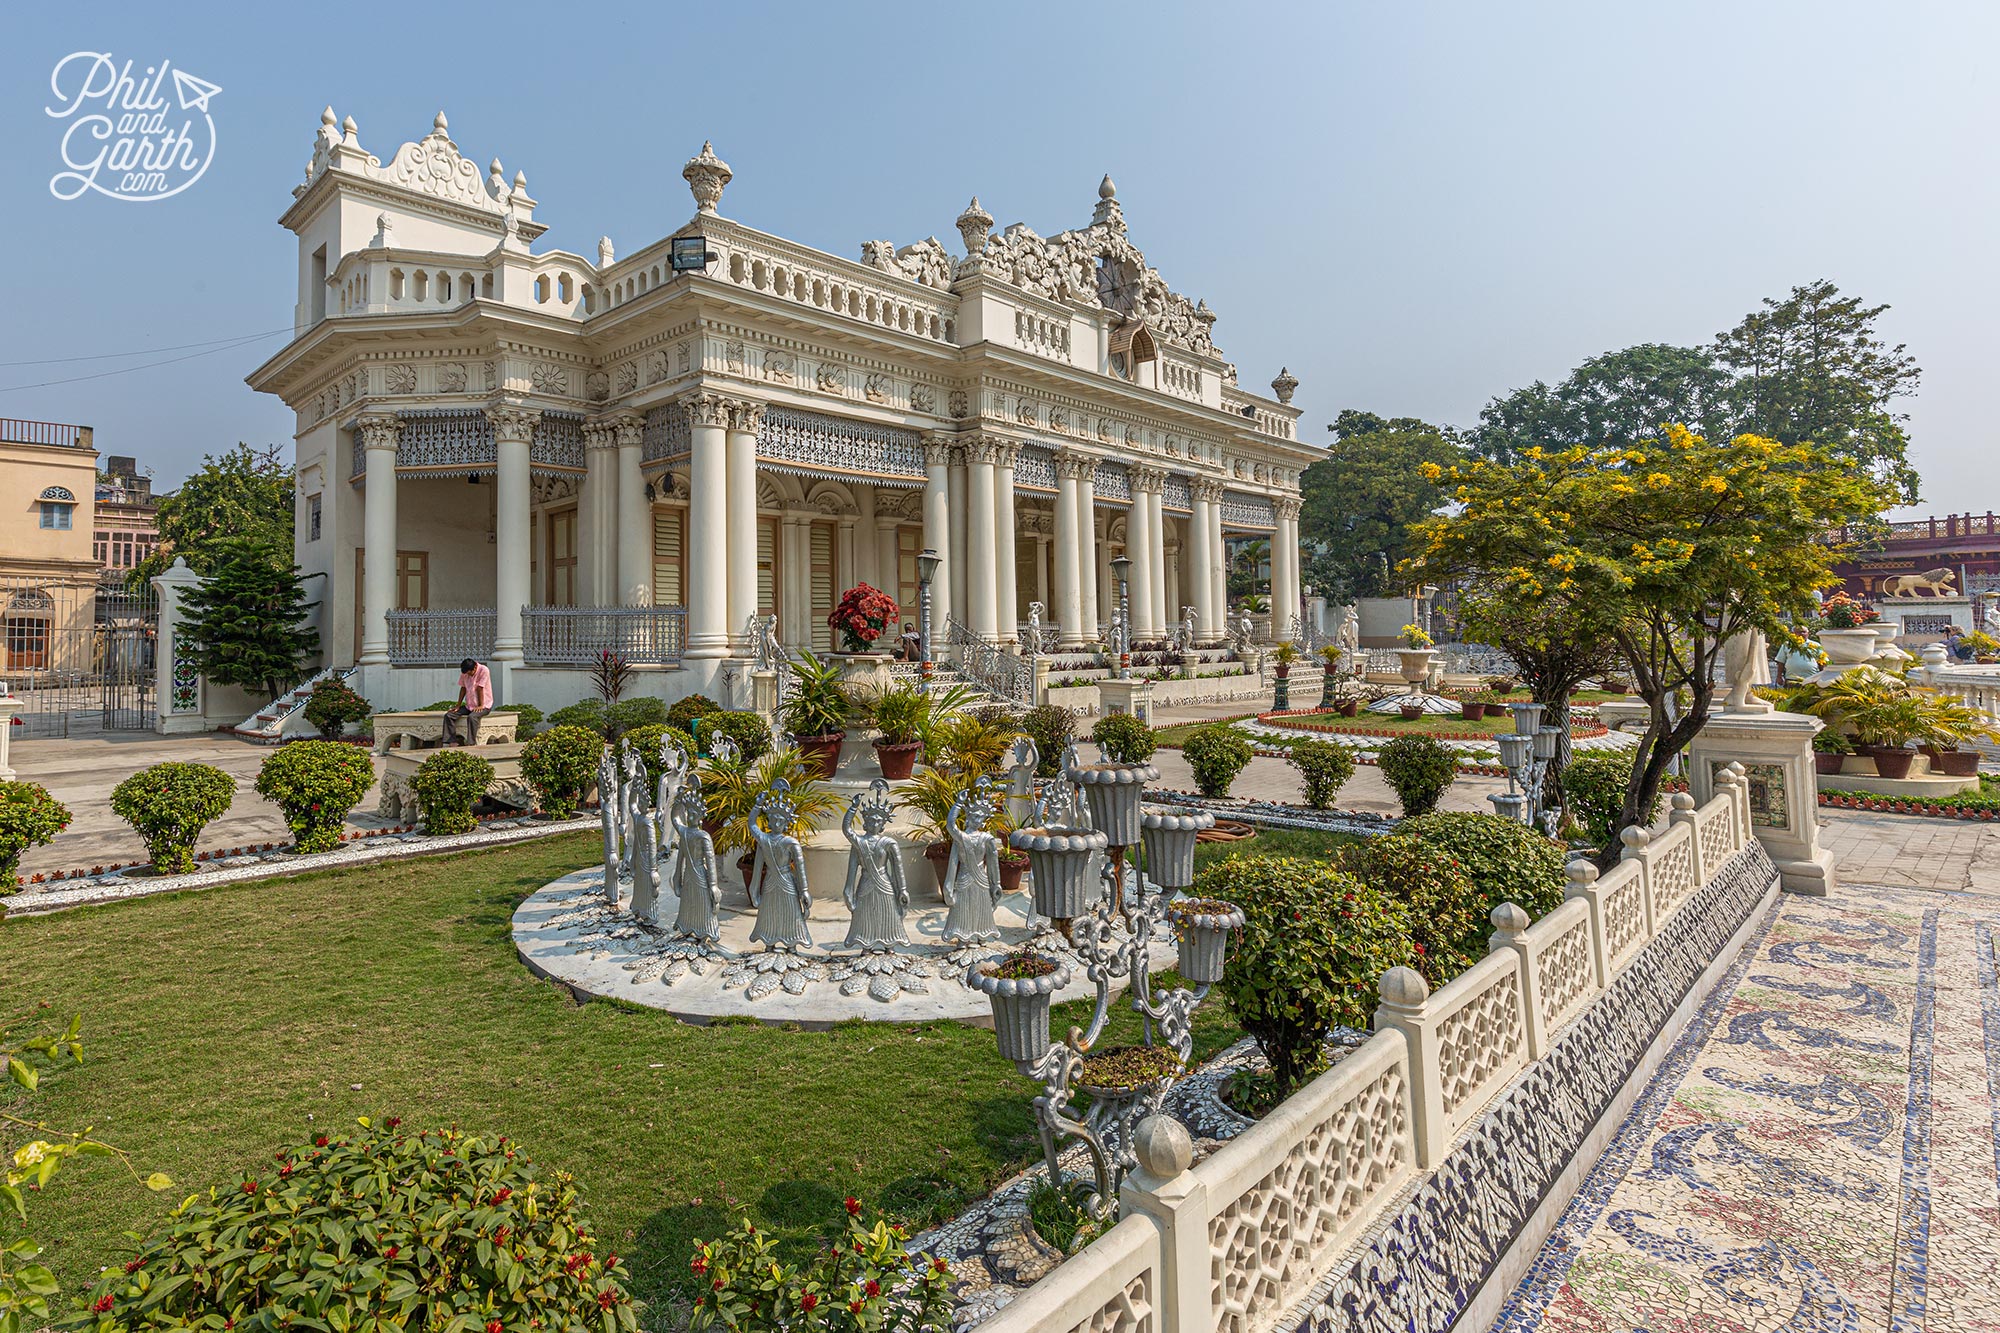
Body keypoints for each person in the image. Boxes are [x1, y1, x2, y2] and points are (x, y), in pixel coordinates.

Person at [444, 657, 492, 745]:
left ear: (474, 668)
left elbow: (480, 688)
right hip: (469, 705)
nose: (468, 675)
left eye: (470, 673)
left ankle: (471, 743)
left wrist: (481, 705)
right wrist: (458, 705)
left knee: (472, 717)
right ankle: (451, 741)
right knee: (449, 715)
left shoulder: (484, 670)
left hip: (484, 705)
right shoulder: (465, 672)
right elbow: (463, 688)